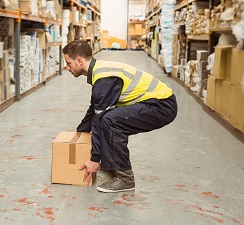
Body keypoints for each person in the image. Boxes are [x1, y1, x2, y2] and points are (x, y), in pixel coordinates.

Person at [62, 40, 178, 193]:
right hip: (154, 103)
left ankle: (125, 178)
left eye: (68, 63)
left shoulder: (104, 78)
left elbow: (99, 118)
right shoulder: (99, 70)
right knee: (106, 118)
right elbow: (94, 109)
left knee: (110, 121)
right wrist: (79, 134)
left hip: (161, 106)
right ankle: (112, 165)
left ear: (79, 61)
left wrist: (95, 159)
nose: (66, 67)